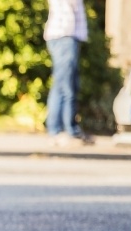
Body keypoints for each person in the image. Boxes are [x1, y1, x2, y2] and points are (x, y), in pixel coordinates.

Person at [44, 0, 94, 146]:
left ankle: (58, 130)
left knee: (62, 86)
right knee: (66, 88)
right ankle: (66, 131)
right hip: (64, 36)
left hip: (66, 36)